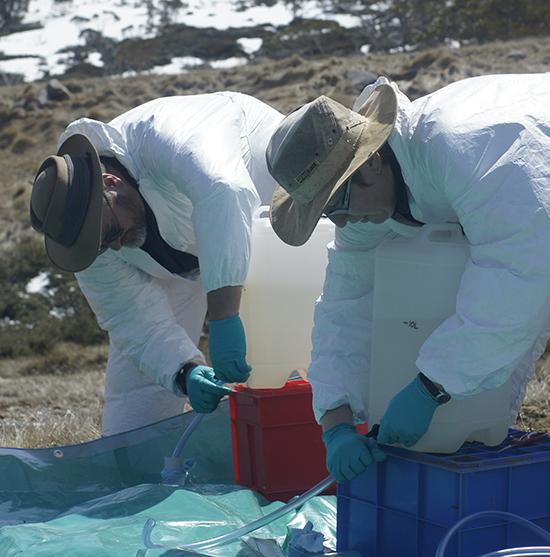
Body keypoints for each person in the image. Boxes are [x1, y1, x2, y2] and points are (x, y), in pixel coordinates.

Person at [266, 73, 550, 482]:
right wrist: (336, 422)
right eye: (328, 212)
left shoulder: (462, 150)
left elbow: (519, 276)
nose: (342, 221)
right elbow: (345, 306)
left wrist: (432, 387)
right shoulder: (368, 199)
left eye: (338, 202)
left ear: (373, 162)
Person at [29, 91, 283, 436]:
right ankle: (137, 480)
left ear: (110, 183)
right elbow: (128, 315)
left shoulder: (169, 136)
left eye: (112, 232)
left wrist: (224, 317)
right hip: (178, 262)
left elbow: (225, 192)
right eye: (104, 245)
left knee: (279, 368)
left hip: (265, 215)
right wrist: (183, 371)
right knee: (135, 412)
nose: (116, 245)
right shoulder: (87, 234)